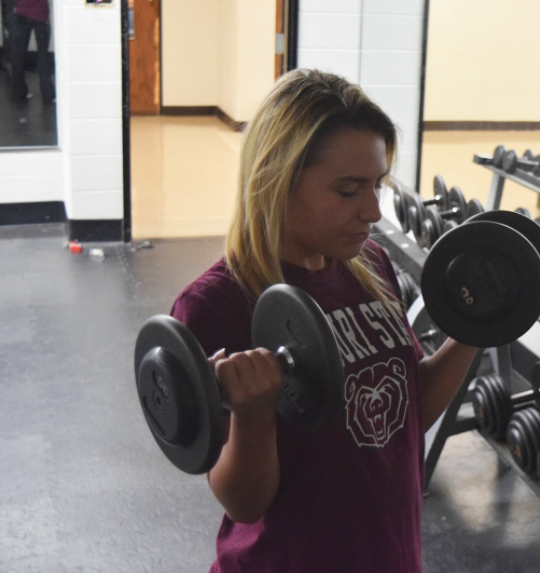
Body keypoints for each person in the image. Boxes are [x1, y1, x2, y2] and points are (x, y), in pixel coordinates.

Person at [170, 69, 480, 573]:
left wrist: (475, 328)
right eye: (348, 190)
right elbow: (244, 503)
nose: (374, 211)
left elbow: (409, 407)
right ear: (276, 178)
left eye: (376, 185)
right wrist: (252, 414)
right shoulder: (218, 304)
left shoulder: (370, 266)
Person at [9, 0, 53, 106]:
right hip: (41, 14)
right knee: (42, 56)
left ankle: (19, 93)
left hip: (21, 12)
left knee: (18, 55)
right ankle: (48, 95)